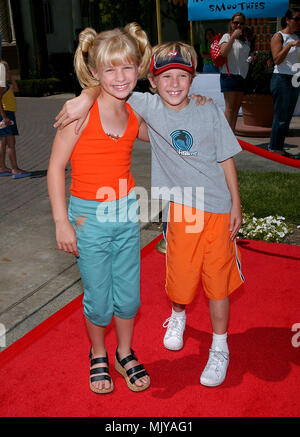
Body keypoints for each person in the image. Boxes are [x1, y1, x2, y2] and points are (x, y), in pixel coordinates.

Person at [54, 41, 244, 388]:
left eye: (182, 77)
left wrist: (236, 203)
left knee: (187, 288)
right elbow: (111, 84)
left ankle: (199, 347)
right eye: (165, 77)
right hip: (131, 214)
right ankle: (129, 339)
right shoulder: (120, 108)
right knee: (139, 287)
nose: (174, 84)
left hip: (178, 210)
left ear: (193, 79)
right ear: (153, 82)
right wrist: (85, 96)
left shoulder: (181, 111)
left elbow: (206, 149)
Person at [47, 23, 152, 394]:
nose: (120, 77)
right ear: (94, 72)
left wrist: (195, 103)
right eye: (109, 70)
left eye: (127, 67)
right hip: (87, 217)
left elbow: (171, 120)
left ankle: (124, 352)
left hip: (125, 213)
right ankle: (98, 352)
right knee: (99, 298)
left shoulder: (135, 115)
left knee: (129, 296)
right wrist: (62, 222)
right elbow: (56, 167)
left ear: (139, 67)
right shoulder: (79, 114)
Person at [269, 7, 300, 154]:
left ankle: (279, 147)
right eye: (296, 19)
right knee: (281, 116)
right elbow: (277, 59)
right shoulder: (279, 36)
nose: (299, 23)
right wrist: (288, 46)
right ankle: (274, 148)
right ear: (287, 20)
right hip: (281, 78)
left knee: (287, 116)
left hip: (294, 77)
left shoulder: (297, 37)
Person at [219, 12, 250, 132]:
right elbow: (223, 53)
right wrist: (233, 37)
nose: (238, 25)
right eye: (236, 22)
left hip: (241, 75)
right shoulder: (226, 36)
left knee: (236, 108)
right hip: (229, 74)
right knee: (230, 108)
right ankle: (226, 137)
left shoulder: (245, 40)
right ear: (231, 24)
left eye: (241, 23)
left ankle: (232, 134)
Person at [0, 60, 31, 178]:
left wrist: (10, 77)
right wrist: (4, 117)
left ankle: (2, 167)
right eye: (6, 70)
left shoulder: (5, 85)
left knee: (3, 141)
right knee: (11, 143)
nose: (8, 72)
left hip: (7, 114)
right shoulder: (2, 87)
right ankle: (15, 169)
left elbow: (16, 89)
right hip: (6, 114)